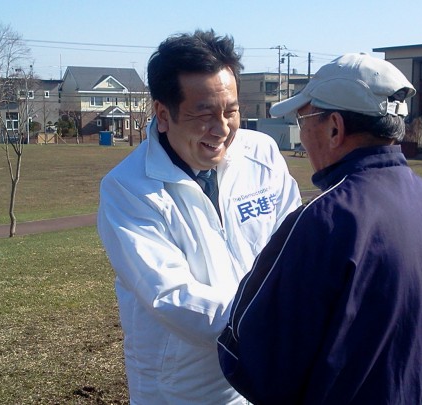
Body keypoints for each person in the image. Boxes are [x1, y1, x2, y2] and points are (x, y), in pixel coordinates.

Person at [218, 53, 422, 404]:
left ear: (334, 127)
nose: (302, 134)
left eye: (302, 118)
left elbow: (259, 362)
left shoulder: (325, 219)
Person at [97, 29, 301, 404]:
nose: (222, 129)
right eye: (204, 113)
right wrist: (270, 324)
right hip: (180, 389)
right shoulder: (127, 189)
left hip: (262, 374)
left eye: (232, 111)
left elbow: (294, 251)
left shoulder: (262, 155)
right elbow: (170, 295)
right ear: (162, 114)